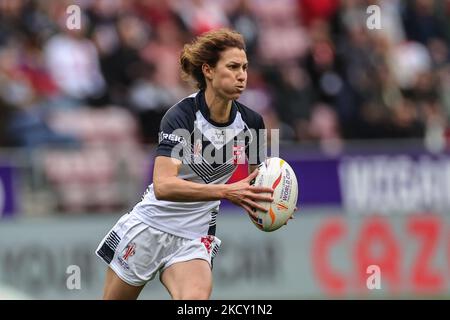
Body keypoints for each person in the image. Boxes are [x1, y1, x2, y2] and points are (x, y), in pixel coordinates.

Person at [95, 28, 276, 300]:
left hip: (194, 236)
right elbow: (164, 185)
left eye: (245, 67)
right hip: (149, 227)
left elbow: (257, 183)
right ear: (209, 71)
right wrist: (226, 192)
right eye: (233, 66)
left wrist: (276, 202)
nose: (242, 75)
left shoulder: (253, 124)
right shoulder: (181, 117)